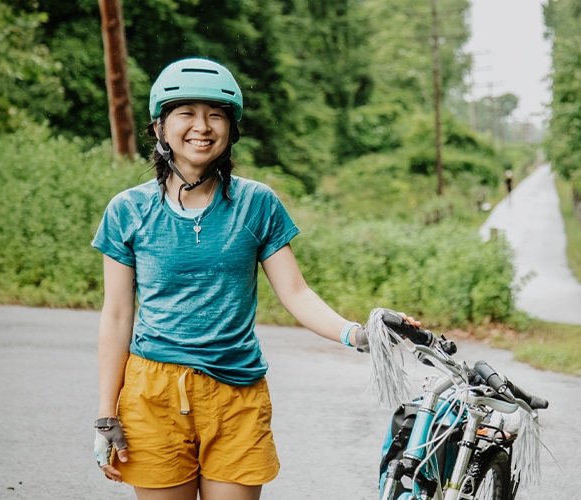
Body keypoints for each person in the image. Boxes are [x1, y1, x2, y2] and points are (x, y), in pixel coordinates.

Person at [91, 57, 416, 500]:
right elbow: (116, 315)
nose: (201, 127)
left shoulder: (256, 204)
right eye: (186, 113)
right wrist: (106, 415)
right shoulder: (127, 210)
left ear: (231, 130)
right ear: (160, 128)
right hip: (153, 394)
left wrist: (357, 335)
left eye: (216, 115)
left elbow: (296, 292)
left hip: (236, 393)